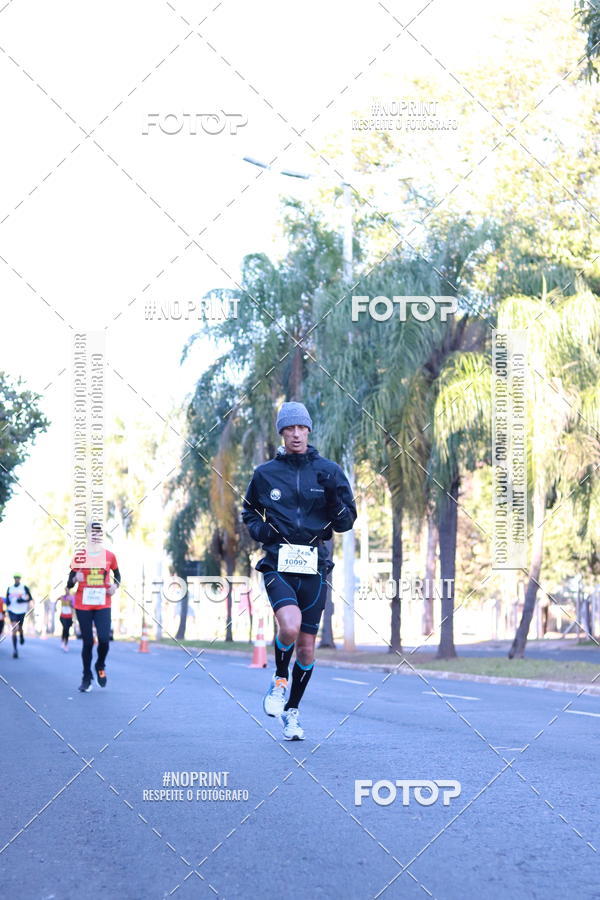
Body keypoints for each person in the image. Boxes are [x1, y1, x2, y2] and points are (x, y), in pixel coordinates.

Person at [242, 401, 356, 740]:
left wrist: (334, 498)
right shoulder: (265, 474)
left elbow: (346, 523)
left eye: (301, 428)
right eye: (289, 428)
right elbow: (249, 513)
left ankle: (292, 711)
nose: (295, 434)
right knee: (288, 626)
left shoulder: (329, 470)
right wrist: (263, 533)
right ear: (281, 432)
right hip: (278, 562)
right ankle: (279, 679)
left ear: (308, 430)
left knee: (307, 648)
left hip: (314, 565)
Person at [66, 522, 121, 692]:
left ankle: (100, 664)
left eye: (99, 532)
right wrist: (76, 578)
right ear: (87, 535)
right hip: (83, 604)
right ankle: (86, 677)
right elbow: (69, 583)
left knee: (104, 639)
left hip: (103, 602)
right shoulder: (79, 556)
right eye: (92, 532)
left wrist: (115, 586)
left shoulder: (110, 556)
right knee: (88, 642)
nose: (95, 535)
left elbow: (118, 576)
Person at [6, 574, 33, 659]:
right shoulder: (10, 589)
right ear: (14, 579)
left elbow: (30, 598)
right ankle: (15, 650)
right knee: (14, 628)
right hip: (12, 611)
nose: (17, 579)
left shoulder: (24, 588)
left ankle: (21, 635)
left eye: (18, 578)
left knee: (20, 627)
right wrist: (8, 603)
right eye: (15, 578)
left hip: (21, 611)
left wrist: (22, 600)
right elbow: (7, 600)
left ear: (20, 579)